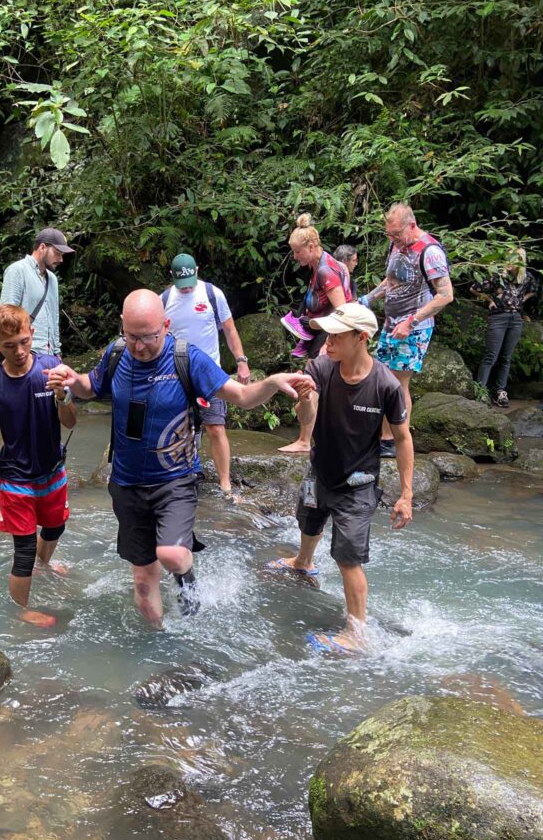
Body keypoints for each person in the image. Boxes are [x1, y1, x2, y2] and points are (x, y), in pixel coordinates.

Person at [45, 290, 314, 627]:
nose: (139, 346)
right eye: (132, 336)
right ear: (123, 326)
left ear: (166, 325)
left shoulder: (187, 359)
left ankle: (188, 582)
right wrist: (73, 381)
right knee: (143, 584)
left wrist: (272, 382)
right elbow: (91, 387)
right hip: (126, 483)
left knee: (171, 554)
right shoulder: (117, 353)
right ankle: (160, 640)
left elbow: (243, 396)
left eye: (149, 337)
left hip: (175, 480)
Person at [268, 302, 414, 656]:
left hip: (358, 482)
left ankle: (356, 633)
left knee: (348, 557)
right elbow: (307, 417)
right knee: (309, 517)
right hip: (321, 469)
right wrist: (304, 399)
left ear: (361, 338)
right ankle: (303, 562)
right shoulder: (321, 367)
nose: (327, 343)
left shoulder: (386, 385)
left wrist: (406, 494)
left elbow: (403, 438)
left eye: (336, 336)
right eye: (327, 336)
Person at [0, 304, 77, 627]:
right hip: (15, 480)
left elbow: (71, 422)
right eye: (9, 346)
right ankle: (20, 609)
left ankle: (43, 565)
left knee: (55, 527)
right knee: (23, 551)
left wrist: (62, 396)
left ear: (32, 333)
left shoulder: (50, 368)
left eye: (24, 342)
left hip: (52, 472)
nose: (19, 352)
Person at [359, 204, 453, 457]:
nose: (393, 239)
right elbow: (391, 280)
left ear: (412, 226)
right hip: (391, 324)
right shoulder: (397, 244)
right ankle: (382, 435)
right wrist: (368, 299)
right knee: (382, 379)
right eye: (389, 234)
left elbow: (446, 295)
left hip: (415, 328)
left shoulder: (430, 252)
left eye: (397, 234)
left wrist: (411, 322)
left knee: (398, 383)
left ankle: (393, 440)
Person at [161, 252, 251, 497]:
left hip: (210, 374)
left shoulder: (212, 294)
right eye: (182, 284)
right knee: (180, 427)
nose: (186, 288)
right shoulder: (165, 300)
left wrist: (241, 361)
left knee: (216, 427)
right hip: (177, 374)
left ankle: (225, 484)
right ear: (172, 277)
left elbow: (230, 330)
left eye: (189, 282)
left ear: (197, 272)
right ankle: (184, 474)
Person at [278, 213, 353, 453]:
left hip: (331, 335)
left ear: (311, 247)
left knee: (311, 385)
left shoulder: (326, 271)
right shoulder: (324, 264)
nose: (295, 256)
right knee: (325, 388)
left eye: (297, 251)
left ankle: (304, 441)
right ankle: (325, 439)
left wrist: (328, 342)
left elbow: (342, 311)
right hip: (328, 334)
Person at [471, 247, 539, 407]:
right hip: (498, 317)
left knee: (506, 357)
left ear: (520, 261)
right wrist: (489, 299)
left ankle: (500, 392)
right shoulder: (498, 276)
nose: (509, 262)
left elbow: (534, 290)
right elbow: (474, 288)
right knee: (491, 355)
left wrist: (522, 299)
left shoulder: (526, 277)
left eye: (513, 259)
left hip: (515, 319)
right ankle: (480, 391)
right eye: (508, 258)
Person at [0, 227, 75, 357]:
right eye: (57, 253)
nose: (61, 259)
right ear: (42, 247)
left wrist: (57, 351)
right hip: (27, 352)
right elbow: (6, 315)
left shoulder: (52, 279)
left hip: (50, 354)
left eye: (62, 255)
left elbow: (54, 317)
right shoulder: (17, 270)